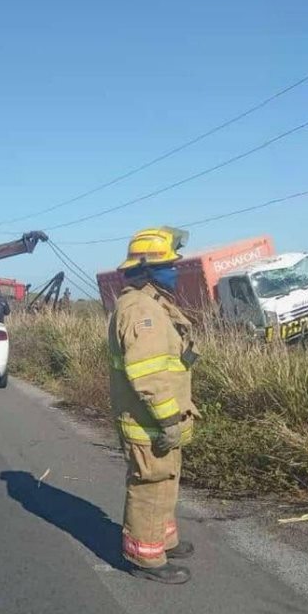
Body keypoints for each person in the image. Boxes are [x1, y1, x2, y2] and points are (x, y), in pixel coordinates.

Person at [107, 226, 199, 585]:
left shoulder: (152, 304)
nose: (174, 271)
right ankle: (146, 558)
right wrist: (169, 419)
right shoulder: (140, 311)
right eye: (168, 266)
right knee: (150, 484)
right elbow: (147, 375)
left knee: (165, 480)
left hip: (158, 420)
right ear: (146, 270)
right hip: (150, 422)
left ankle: (163, 540)